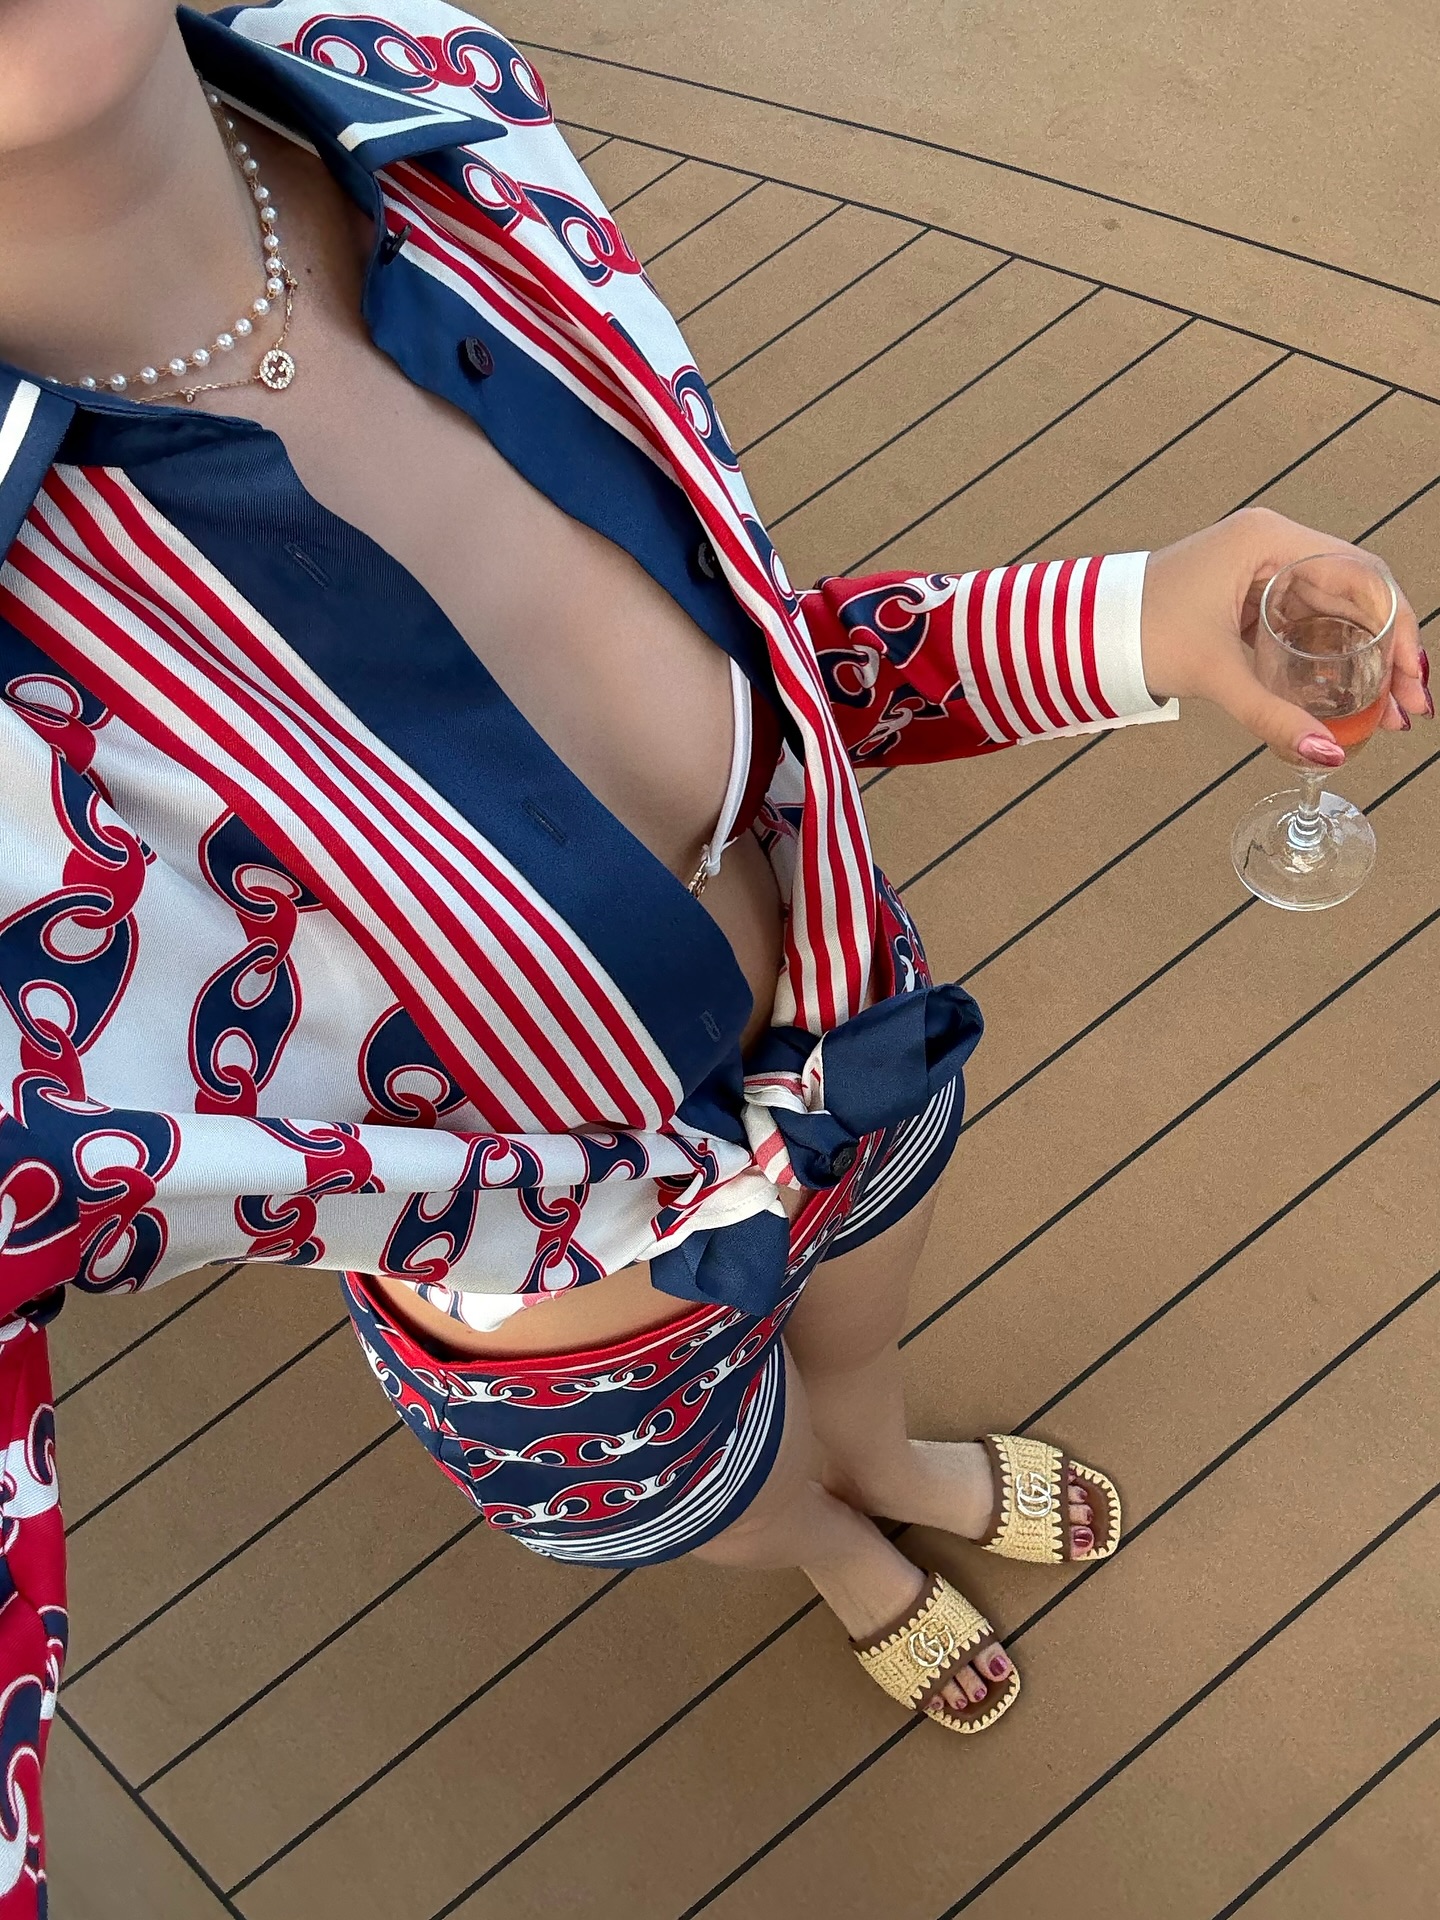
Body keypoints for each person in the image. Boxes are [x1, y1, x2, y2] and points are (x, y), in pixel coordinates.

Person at [0, 0, 1428, 1905]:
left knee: (860, 1347)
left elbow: (749, 694)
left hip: (861, 1038)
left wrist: (1130, 624)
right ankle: (833, 1550)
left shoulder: (430, 92)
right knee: (728, 1493)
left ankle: (883, 1462)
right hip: (581, 1329)